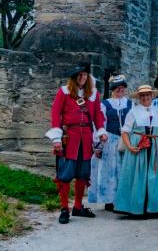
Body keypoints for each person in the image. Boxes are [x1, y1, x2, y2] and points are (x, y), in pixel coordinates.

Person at [46, 63, 107, 224]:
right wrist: (56, 138)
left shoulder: (93, 94)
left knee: (83, 173)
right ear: (74, 77)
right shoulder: (64, 92)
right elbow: (55, 113)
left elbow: (97, 115)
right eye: (79, 75)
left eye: (85, 75)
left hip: (86, 138)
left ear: (88, 77)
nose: (82, 77)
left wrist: (101, 131)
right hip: (69, 137)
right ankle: (64, 208)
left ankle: (78, 207)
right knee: (65, 174)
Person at [114, 85, 158, 217]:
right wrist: (130, 146)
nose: (145, 97)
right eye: (142, 95)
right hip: (138, 146)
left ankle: (153, 208)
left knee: (153, 177)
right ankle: (135, 208)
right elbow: (125, 132)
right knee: (137, 177)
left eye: (147, 95)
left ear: (152, 95)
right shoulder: (133, 112)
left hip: (152, 147)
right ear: (139, 97)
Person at [89, 74, 132, 211]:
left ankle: (124, 199)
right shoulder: (105, 104)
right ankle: (109, 200)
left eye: (122, 87)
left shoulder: (130, 104)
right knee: (109, 171)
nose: (120, 90)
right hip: (110, 140)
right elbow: (99, 125)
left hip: (126, 141)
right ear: (112, 89)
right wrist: (98, 146)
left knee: (125, 170)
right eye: (116, 88)